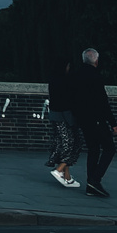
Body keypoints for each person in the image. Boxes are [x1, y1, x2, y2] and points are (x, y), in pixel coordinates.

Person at [72, 47, 117, 197]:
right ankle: (95, 180)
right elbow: (102, 102)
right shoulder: (95, 77)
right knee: (109, 148)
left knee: (93, 149)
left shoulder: (76, 75)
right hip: (96, 119)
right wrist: (112, 122)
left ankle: (91, 184)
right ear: (96, 60)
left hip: (83, 120)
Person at [44, 58, 82, 188]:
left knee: (62, 143)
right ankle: (59, 170)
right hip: (65, 117)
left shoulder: (53, 80)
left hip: (55, 116)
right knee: (72, 143)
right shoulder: (65, 82)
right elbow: (67, 102)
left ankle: (67, 177)